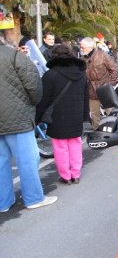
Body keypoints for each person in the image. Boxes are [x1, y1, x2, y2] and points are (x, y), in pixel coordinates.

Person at [0, 33, 57, 212]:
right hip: (17, 117)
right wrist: (33, 104)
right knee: (27, 159)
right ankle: (33, 198)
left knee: (1, 162)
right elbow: (34, 85)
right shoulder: (14, 56)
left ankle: (3, 202)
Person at [36, 44, 89, 184]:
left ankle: (65, 176)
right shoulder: (80, 74)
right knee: (75, 144)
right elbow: (85, 97)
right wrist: (85, 116)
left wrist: (37, 117)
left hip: (57, 117)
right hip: (76, 115)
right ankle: (75, 174)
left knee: (60, 146)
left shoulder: (50, 75)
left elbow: (44, 99)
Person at [79, 37, 118, 130]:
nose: (81, 49)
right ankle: (96, 130)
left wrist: (111, 84)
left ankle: (114, 128)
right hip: (91, 89)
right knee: (94, 113)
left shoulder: (102, 55)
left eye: (83, 47)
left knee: (110, 111)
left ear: (89, 47)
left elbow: (113, 68)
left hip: (104, 86)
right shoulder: (82, 58)